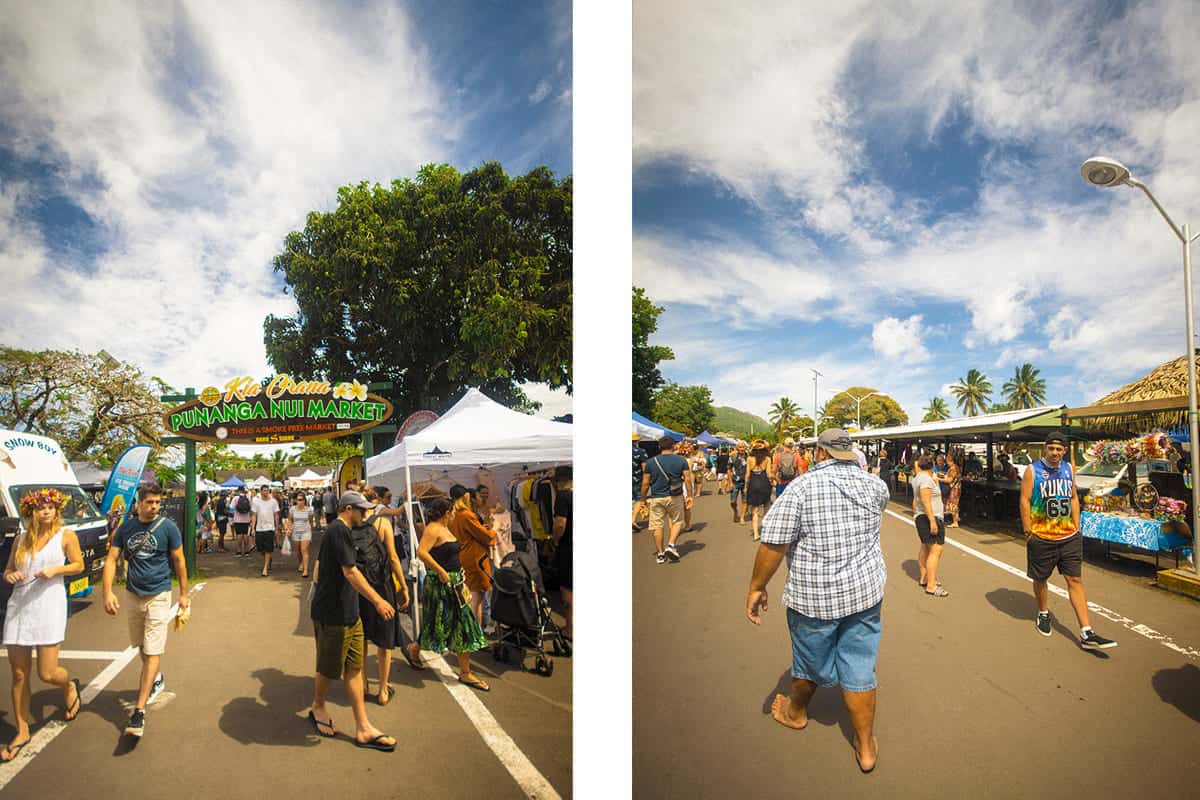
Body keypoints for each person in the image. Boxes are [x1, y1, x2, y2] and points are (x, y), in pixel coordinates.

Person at [746, 429, 888, 773]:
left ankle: (796, 713)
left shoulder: (800, 489)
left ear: (821, 453)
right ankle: (866, 745)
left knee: (810, 659)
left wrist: (757, 586)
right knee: (859, 665)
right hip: (865, 593)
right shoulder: (876, 486)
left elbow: (773, 544)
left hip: (815, 598)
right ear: (848, 452)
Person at [307, 491, 397, 751]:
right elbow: (350, 572)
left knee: (355, 668)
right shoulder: (338, 530)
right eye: (362, 510)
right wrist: (378, 601)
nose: (365, 515)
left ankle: (363, 727)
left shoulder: (343, 531)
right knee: (328, 668)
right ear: (348, 509)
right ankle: (318, 706)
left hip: (350, 611)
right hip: (332, 613)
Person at [2, 489, 84, 761]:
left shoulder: (65, 536)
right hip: (19, 607)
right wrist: (11, 574)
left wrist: (55, 570)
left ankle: (68, 686)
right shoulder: (22, 538)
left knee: (47, 673)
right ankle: (22, 730)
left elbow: (78, 565)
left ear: (56, 510)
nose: (45, 511)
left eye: (49, 507)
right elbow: (8, 569)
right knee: (19, 674)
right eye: (39, 508)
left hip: (49, 606)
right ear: (31, 512)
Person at [102, 484, 190, 738]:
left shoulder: (168, 528)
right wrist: (107, 592)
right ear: (139, 503)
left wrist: (183, 594)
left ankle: (139, 712)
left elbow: (179, 560)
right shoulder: (126, 528)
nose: (154, 507)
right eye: (149, 502)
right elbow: (111, 559)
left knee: (152, 651)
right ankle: (157, 678)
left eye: (157, 502)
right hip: (133, 595)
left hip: (160, 595)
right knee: (140, 646)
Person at [1021, 431, 1117, 650]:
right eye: (1051, 449)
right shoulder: (1032, 470)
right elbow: (1025, 501)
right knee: (1041, 579)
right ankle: (1043, 612)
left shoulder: (1069, 469)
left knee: (1075, 580)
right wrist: (1028, 531)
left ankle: (1086, 632)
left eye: (1059, 449)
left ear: (1064, 451)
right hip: (1042, 537)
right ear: (1045, 448)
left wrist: (1077, 525)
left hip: (1069, 537)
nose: (1055, 453)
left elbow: (1073, 497)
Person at [417, 497, 490, 691]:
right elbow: (421, 552)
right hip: (441, 584)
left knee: (463, 623)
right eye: (452, 512)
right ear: (446, 512)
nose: (454, 515)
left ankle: (465, 672)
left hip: (455, 582)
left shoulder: (446, 528)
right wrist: (441, 571)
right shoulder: (433, 528)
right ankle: (413, 650)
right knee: (435, 624)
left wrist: (461, 576)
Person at [353, 488, 414, 706]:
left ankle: (362, 684)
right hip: (382, 585)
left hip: (359, 587)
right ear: (375, 502)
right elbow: (394, 557)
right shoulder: (383, 523)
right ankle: (383, 689)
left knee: (362, 637)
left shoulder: (352, 525)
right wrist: (403, 587)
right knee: (384, 640)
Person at [449, 485, 496, 625]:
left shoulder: (453, 514)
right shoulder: (466, 515)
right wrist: (492, 529)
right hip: (475, 559)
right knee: (476, 598)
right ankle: (471, 636)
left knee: (475, 597)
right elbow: (486, 536)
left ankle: (477, 635)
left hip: (466, 555)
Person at [641, 436, 690, 563]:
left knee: (657, 525)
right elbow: (687, 479)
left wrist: (643, 499)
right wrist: (689, 495)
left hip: (656, 497)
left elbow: (645, 483)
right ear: (673, 446)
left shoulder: (651, 462)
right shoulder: (681, 460)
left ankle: (660, 554)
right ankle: (671, 545)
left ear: (659, 447)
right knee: (677, 521)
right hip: (675, 496)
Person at [911, 454, 948, 596]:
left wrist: (916, 514)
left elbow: (916, 500)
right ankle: (931, 585)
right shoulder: (926, 479)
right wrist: (932, 520)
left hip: (921, 516)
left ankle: (925, 578)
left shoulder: (918, 478)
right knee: (936, 550)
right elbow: (926, 501)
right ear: (931, 465)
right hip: (929, 517)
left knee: (925, 547)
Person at [551, 466, 573, 640]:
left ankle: (571, 629)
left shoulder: (564, 496)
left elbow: (560, 524)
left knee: (568, 588)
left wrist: (555, 540)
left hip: (568, 547)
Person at [745, 439, 775, 542]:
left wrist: (746, 487)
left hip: (753, 483)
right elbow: (768, 474)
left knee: (755, 511)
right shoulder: (767, 458)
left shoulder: (749, 458)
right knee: (766, 507)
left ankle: (756, 534)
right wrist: (773, 480)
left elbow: (747, 475)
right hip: (764, 483)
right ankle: (765, 531)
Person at [251, 484, 281, 577]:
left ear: (269, 491)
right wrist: (252, 528)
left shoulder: (273, 502)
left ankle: (265, 568)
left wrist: (276, 527)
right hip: (259, 528)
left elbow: (276, 514)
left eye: (267, 490)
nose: (265, 492)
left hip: (270, 528)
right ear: (261, 491)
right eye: (264, 490)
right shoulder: (256, 502)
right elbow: (254, 515)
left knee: (268, 549)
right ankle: (268, 560)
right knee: (260, 549)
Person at [286, 491, 315, 578]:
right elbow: (290, 520)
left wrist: (311, 534)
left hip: (306, 531)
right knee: (298, 551)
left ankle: (305, 570)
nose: (300, 501)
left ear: (304, 500)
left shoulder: (309, 510)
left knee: (304, 549)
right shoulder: (292, 509)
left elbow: (310, 521)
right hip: (295, 531)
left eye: (302, 500)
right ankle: (301, 562)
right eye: (298, 500)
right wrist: (289, 529)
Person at [728, 442, 748, 524]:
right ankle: (736, 511)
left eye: (743, 447)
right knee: (732, 502)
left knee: (745, 500)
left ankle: (742, 517)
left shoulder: (749, 457)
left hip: (746, 482)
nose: (742, 449)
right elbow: (729, 470)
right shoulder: (733, 457)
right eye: (740, 447)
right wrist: (729, 483)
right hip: (735, 481)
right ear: (737, 448)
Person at [231, 487, 253, 558]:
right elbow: (251, 509)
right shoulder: (248, 498)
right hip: (246, 520)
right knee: (245, 534)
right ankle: (247, 551)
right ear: (244, 491)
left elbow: (231, 508)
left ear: (238, 491)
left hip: (237, 520)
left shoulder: (235, 498)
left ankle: (239, 551)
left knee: (239, 535)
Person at [943, 449, 963, 528]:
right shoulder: (955, 467)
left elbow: (949, 480)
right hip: (957, 487)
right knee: (955, 504)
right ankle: (956, 519)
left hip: (954, 489)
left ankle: (955, 522)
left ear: (949, 460)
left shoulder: (953, 468)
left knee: (953, 504)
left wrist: (939, 478)